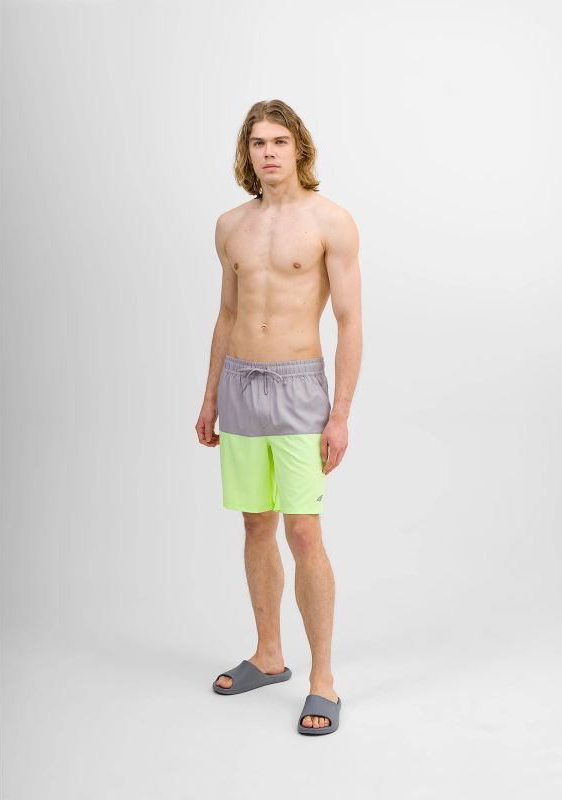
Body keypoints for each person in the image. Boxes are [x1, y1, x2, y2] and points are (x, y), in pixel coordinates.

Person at [195, 99, 362, 735]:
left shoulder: (331, 221)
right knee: (255, 525)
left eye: (279, 142)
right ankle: (269, 655)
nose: (268, 153)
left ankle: (324, 680)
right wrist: (210, 396)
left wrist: (339, 413)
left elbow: (349, 321)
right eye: (258, 143)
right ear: (248, 153)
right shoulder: (230, 225)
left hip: (298, 389)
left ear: (299, 149)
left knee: (304, 533)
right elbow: (226, 315)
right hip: (239, 384)